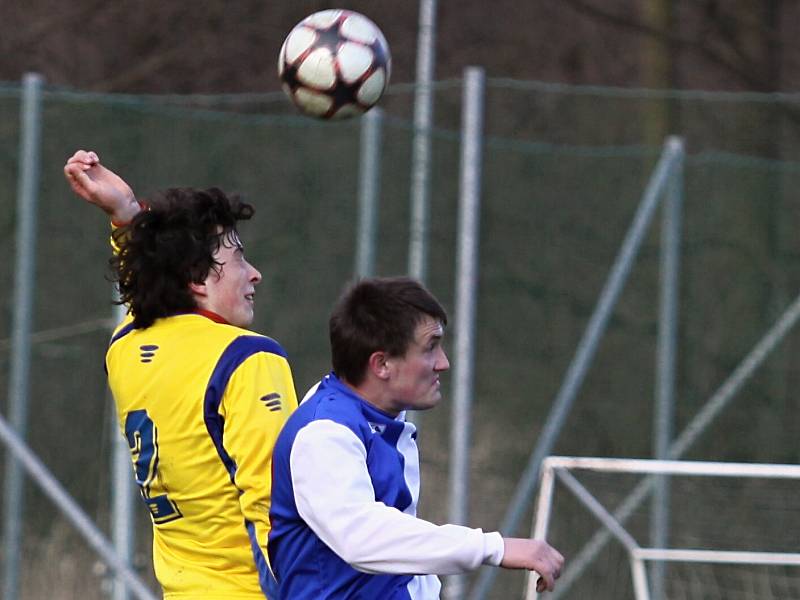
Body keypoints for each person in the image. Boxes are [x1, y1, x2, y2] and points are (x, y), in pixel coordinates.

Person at [64, 150, 297, 600]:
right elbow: (276, 509)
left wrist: (127, 218)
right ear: (196, 276)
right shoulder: (248, 359)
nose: (254, 274)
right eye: (238, 258)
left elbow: (146, 294)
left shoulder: (126, 349)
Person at [268, 276, 564, 598]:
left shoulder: (382, 416)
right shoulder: (324, 433)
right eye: (430, 347)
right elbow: (362, 538)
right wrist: (494, 547)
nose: (444, 363)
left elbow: (402, 557)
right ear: (382, 364)